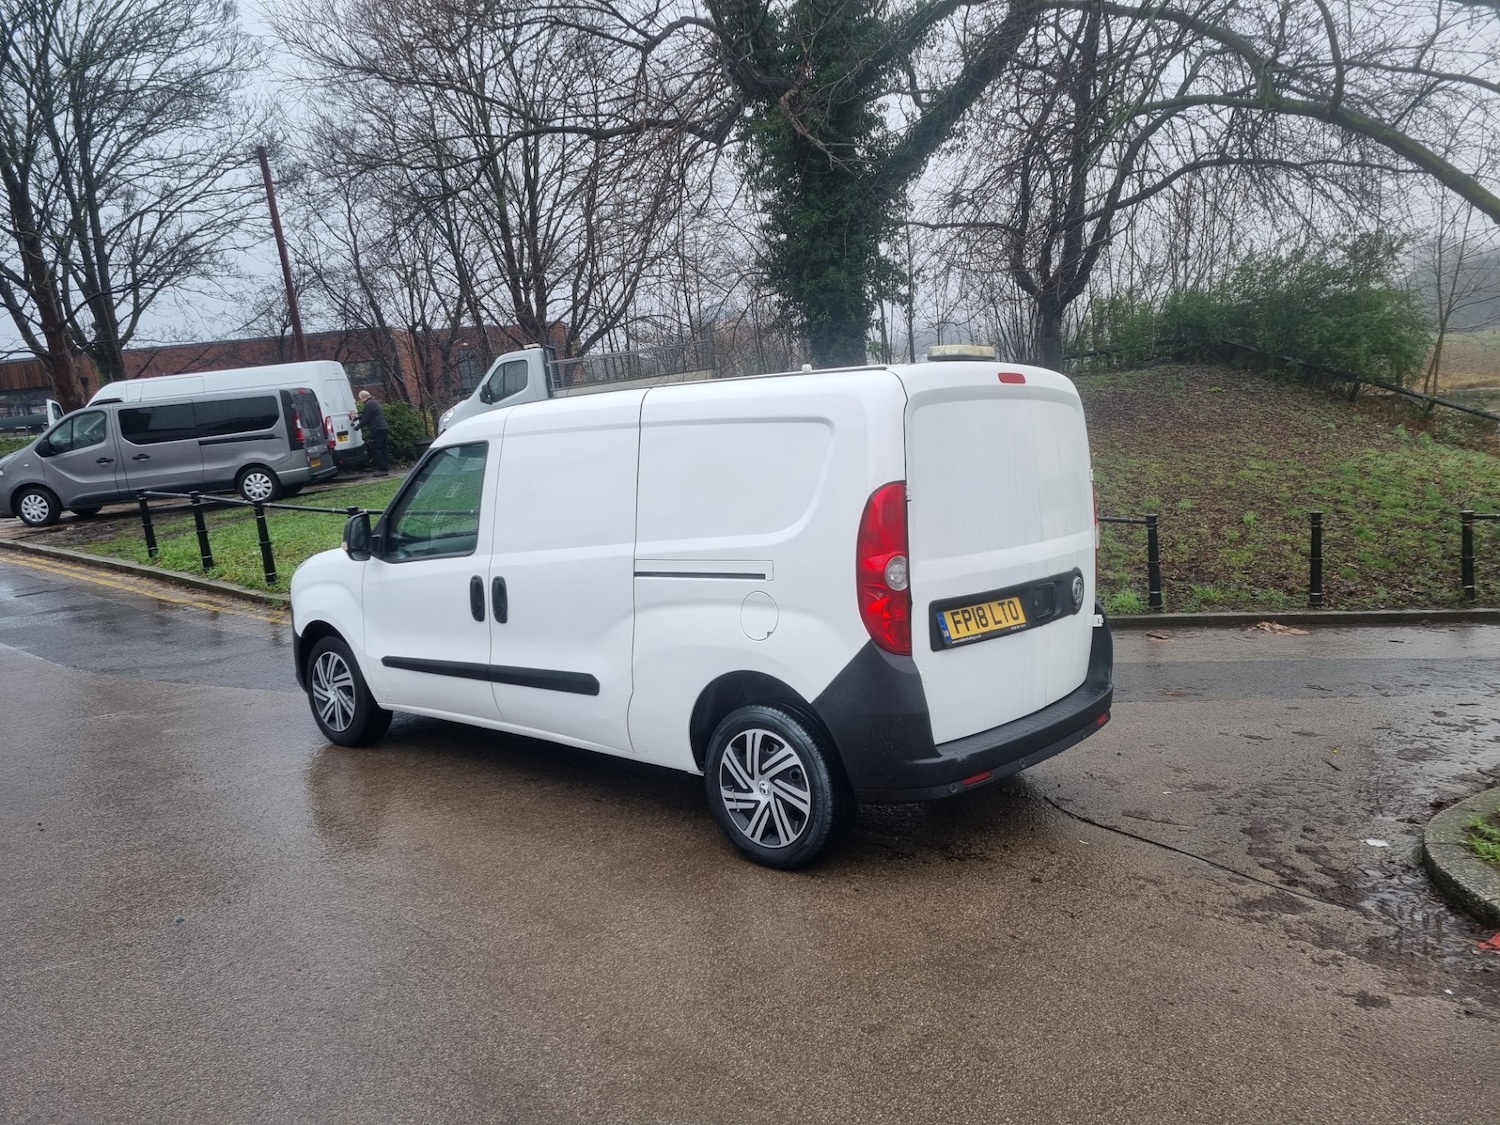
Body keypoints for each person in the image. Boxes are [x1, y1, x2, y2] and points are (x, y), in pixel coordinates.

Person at [356, 390, 390, 475]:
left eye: (360, 399)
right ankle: (385, 467)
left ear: (363, 397)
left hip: (377, 428)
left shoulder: (368, 404)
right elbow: (368, 415)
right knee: (383, 448)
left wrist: (357, 427)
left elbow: (367, 418)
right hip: (383, 427)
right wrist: (358, 417)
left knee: (376, 448)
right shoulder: (374, 402)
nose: (360, 401)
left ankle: (382, 469)